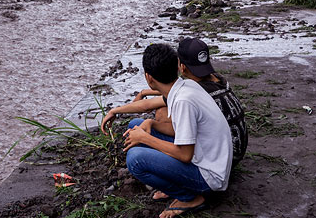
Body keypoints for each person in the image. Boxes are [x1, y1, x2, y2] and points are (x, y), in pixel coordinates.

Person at [103, 43, 233, 218]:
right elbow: (182, 130)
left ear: (149, 78)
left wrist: (145, 138)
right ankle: (179, 183)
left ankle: (190, 197)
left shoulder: (183, 101)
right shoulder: (184, 86)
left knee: (135, 159)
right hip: (204, 157)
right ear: (177, 67)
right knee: (136, 124)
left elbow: (185, 154)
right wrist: (152, 124)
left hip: (209, 176)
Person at [103, 38, 247, 168]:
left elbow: (150, 104)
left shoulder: (191, 94)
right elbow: (172, 89)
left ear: (181, 67)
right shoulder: (217, 80)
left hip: (219, 158)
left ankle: (177, 173)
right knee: (143, 121)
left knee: (161, 113)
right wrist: (145, 92)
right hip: (233, 149)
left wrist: (116, 110)